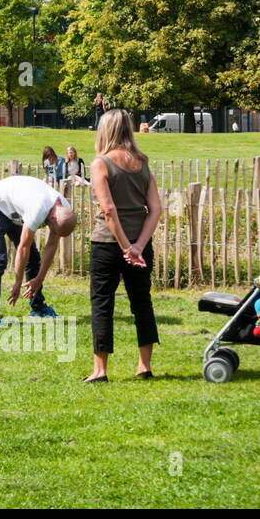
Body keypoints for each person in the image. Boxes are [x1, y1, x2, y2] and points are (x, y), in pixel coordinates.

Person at [84, 109, 162, 384]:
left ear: (104, 131)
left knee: (102, 303)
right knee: (142, 302)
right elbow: (155, 209)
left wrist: (125, 246)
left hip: (107, 243)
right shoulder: (142, 162)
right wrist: (138, 245)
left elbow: (108, 210)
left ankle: (100, 370)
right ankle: (144, 366)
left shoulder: (100, 164)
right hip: (140, 245)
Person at [0, 175, 76, 324]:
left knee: (33, 258)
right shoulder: (38, 209)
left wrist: (39, 279)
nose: (53, 232)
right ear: (54, 219)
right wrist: (18, 282)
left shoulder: (64, 210)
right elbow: (24, 247)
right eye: (54, 230)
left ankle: (38, 309)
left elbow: (51, 245)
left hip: (13, 210)